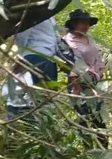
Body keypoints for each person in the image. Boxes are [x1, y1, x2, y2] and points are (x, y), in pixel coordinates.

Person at [62, 9, 107, 145]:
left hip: (95, 83)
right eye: (82, 23)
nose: (86, 26)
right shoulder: (66, 41)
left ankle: (104, 151)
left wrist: (101, 70)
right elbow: (70, 64)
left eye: (87, 23)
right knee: (85, 118)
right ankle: (88, 152)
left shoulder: (89, 39)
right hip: (78, 84)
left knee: (99, 117)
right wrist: (75, 86)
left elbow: (97, 57)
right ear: (74, 24)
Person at [14, 17, 58, 83]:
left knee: (48, 91)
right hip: (34, 55)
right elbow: (22, 35)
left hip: (49, 59)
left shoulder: (51, 18)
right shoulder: (33, 11)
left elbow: (56, 40)